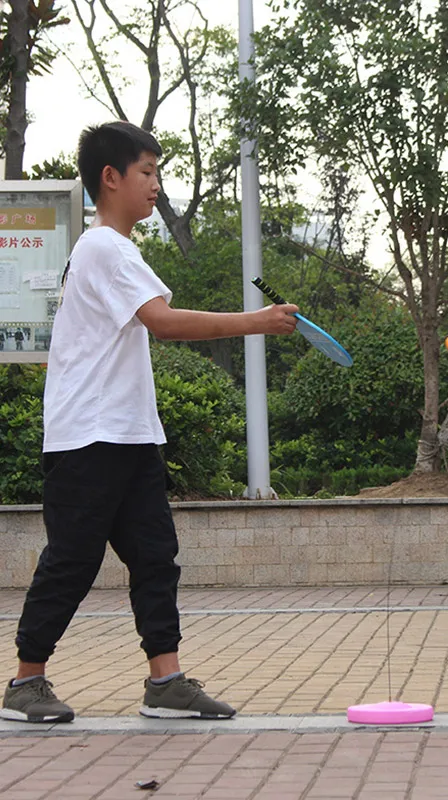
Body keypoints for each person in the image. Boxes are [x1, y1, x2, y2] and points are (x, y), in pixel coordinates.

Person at [1, 121, 298, 724]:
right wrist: (257, 321)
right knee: (73, 560)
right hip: (88, 436)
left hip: (130, 434)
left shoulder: (113, 248)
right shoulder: (104, 247)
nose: (156, 187)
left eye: (157, 173)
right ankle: (25, 683)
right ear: (110, 178)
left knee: (156, 555)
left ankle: (166, 682)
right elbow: (162, 321)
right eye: (147, 173)